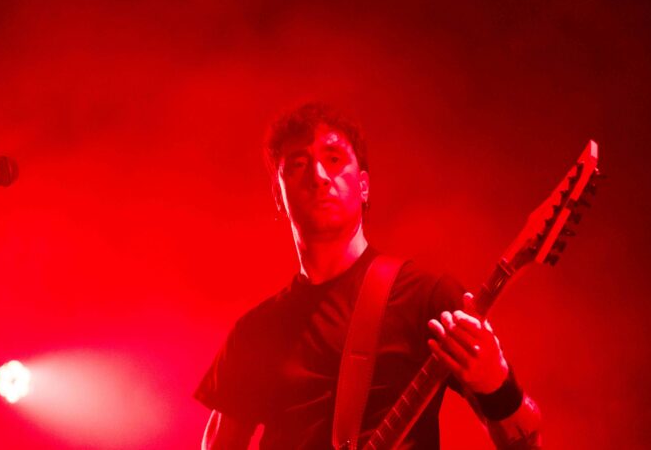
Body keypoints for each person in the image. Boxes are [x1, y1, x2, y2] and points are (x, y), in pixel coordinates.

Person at [195, 102, 542, 449]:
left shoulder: (426, 298)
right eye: (298, 164)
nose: (318, 176)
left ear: (364, 186)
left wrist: (497, 383)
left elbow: (527, 445)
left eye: (334, 159)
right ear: (278, 196)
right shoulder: (255, 332)